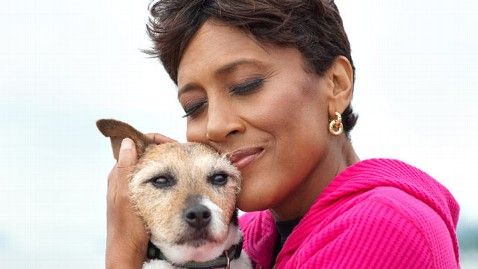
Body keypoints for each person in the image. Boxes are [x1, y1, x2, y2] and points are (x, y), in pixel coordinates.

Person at [105, 1, 460, 268]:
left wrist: (123, 253)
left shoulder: (382, 228)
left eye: (246, 85)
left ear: (336, 84)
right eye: (195, 106)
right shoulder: (256, 235)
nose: (214, 126)